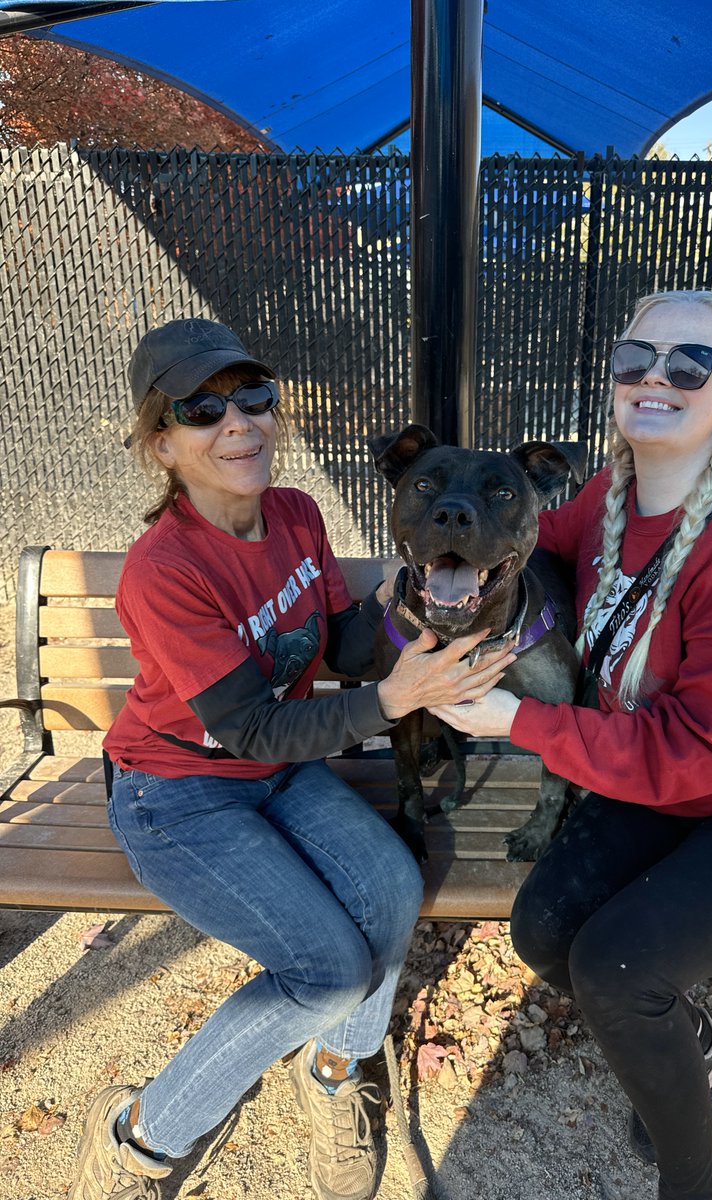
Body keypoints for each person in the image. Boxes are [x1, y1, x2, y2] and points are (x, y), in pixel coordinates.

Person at [428, 289, 712, 1200]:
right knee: (546, 932)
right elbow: (517, 554)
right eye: (635, 359)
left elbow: (704, 749)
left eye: (689, 365)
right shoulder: (608, 500)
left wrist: (519, 722)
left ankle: (690, 1181)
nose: (655, 378)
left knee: (617, 966)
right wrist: (426, 599)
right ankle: (697, 1041)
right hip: (671, 789)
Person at [68, 318, 515, 1200]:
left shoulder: (297, 515)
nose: (238, 423)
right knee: (327, 972)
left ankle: (339, 1075)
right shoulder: (162, 572)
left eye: (253, 397)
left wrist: (407, 612)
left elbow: (337, 646)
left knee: (390, 888)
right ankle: (140, 1137)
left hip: (277, 773)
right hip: (178, 793)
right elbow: (250, 728)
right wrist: (398, 698)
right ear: (162, 442)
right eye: (202, 409)